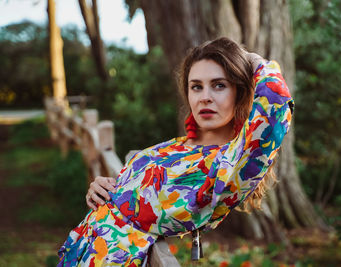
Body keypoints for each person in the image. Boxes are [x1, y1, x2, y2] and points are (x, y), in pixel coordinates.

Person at [58, 37, 294, 266]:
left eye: (219, 85)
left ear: (240, 93)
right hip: (82, 252)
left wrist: (252, 61)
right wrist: (103, 188)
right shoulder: (177, 146)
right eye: (196, 87)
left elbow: (276, 102)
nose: (205, 98)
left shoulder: (230, 164)